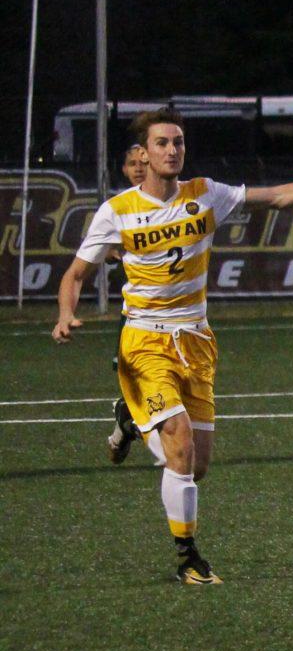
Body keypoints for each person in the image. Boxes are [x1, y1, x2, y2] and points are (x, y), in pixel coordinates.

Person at [53, 107, 293, 584]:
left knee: (197, 465)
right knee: (178, 441)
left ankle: (130, 420)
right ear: (143, 155)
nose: (172, 150)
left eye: (178, 142)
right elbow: (75, 275)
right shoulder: (117, 211)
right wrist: (67, 312)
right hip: (144, 340)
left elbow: (277, 197)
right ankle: (188, 558)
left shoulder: (206, 195)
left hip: (195, 341)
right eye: (162, 143)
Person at [103, 143, 166, 467]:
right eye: (132, 163)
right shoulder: (118, 209)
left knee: (162, 387)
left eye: (143, 161)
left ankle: (127, 424)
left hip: (177, 320)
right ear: (124, 170)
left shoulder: (171, 201)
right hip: (138, 318)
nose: (139, 168)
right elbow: (100, 247)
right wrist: (114, 250)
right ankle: (150, 440)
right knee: (140, 386)